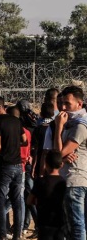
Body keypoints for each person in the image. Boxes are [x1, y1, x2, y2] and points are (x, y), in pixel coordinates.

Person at [0, 96, 26, 240]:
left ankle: (2, 235)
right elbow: (24, 140)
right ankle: (17, 234)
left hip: (4, 165)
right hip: (18, 166)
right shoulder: (16, 121)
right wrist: (13, 144)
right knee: (17, 202)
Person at [53, 86, 87, 239]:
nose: (64, 108)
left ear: (79, 104)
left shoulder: (80, 125)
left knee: (77, 225)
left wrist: (59, 126)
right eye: (62, 103)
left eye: (68, 104)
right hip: (68, 178)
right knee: (70, 226)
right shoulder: (72, 123)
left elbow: (57, 154)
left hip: (75, 180)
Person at [27, 150, 66, 240]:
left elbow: (29, 200)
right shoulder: (63, 182)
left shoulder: (40, 181)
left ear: (46, 164)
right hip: (59, 223)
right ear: (61, 165)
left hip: (44, 223)